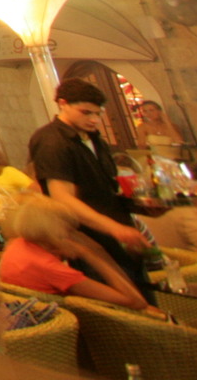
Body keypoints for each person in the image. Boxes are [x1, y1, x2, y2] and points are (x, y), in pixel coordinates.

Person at [27, 76, 154, 302]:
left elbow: (104, 190)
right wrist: (114, 228)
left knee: (144, 297)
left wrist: (144, 207)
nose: (94, 120)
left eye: (98, 113)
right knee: (122, 306)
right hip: (87, 239)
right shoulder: (52, 141)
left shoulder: (95, 139)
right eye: (86, 113)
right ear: (63, 104)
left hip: (117, 235)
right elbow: (63, 199)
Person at [0, 194, 153, 312]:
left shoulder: (17, 245)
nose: (73, 233)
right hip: (65, 331)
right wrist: (88, 254)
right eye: (69, 228)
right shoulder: (50, 268)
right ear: (55, 231)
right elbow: (136, 302)